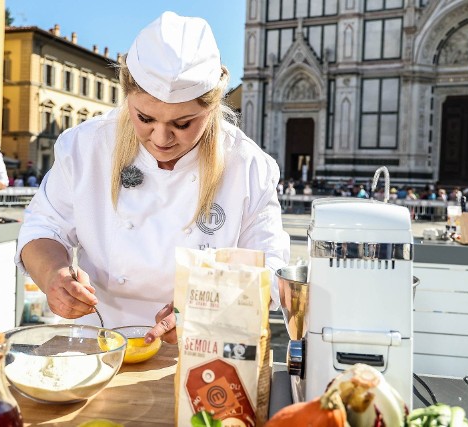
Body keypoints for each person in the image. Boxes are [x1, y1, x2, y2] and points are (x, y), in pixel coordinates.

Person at [15, 12, 290, 345]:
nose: (161, 139)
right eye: (145, 118)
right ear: (126, 95)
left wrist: (208, 308)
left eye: (183, 123)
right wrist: (53, 276)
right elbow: (42, 228)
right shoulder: (86, 147)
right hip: (100, 342)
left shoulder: (248, 165)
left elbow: (271, 270)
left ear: (213, 106)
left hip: (204, 348)